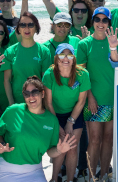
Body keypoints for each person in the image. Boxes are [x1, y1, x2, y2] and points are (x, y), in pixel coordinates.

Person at [0, 77, 78, 181]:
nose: (31, 96)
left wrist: (59, 150)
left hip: (34, 170)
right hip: (6, 169)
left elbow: (50, 152)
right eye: (27, 93)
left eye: (35, 92)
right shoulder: (13, 111)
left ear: (42, 94)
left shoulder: (52, 120)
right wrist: (0, 144)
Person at [75, 7, 116, 180]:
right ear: (92, 22)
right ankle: (92, 176)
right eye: (97, 20)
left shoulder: (115, 43)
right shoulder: (84, 45)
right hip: (93, 100)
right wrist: (90, 97)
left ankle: (105, 173)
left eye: (104, 20)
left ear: (109, 23)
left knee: (108, 139)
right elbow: (81, 75)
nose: (100, 23)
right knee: (94, 139)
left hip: (113, 99)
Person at [43, 43, 91, 182]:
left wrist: (70, 122)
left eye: (69, 55)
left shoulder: (82, 74)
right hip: (55, 114)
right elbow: (48, 102)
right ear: (56, 58)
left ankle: (70, 179)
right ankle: (54, 178)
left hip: (74, 114)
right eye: (62, 55)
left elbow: (81, 101)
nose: (66, 58)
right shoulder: (49, 74)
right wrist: (57, 125)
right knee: (60, 147)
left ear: (74, 58)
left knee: (71, 148)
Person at [0, 12, 52, 106]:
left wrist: (45, 104)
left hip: (37, 103)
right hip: (17, 102)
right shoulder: (10, 52)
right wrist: (11, 103)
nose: (26, 28)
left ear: (36, 28)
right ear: (18, 28)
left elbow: (46, 82)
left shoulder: (44, 52)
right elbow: (7, 80)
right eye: (22, 25)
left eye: (30, 25)